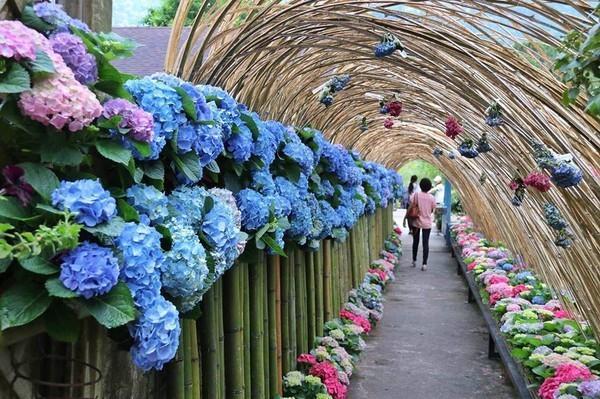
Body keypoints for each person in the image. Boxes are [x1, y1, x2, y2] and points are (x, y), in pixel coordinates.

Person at [409, 178, 436, 271]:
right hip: (427, 223)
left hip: (416, 222)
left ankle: (414, 260)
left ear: (420, 186)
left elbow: (411, 205)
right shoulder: (432, 198)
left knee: (415, 241)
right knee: (425, 243)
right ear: (429, 187)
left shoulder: (415, 195)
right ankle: (424, 264)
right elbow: (432, 209)